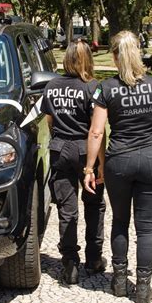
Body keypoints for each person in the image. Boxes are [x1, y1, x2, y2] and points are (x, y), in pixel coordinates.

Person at [83, 30, 152, 303]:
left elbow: (97, 132)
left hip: (119, 161)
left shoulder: (105, 88)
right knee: (145, 229)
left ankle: (120, 280)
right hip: (150, 159)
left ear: (114, 56)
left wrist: (89, 168)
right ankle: (143, 287)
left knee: (120, 221)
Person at [41, 39, 107, 284]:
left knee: (66, 209)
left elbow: (49, 120)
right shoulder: (93, 87)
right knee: (94, 204)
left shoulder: (51, 85)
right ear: (88, 59)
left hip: (60, 149)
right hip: (85, 149)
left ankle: (69, 263)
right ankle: (94, 258)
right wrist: (100, 164)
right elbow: (97, 129)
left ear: (66, 58)